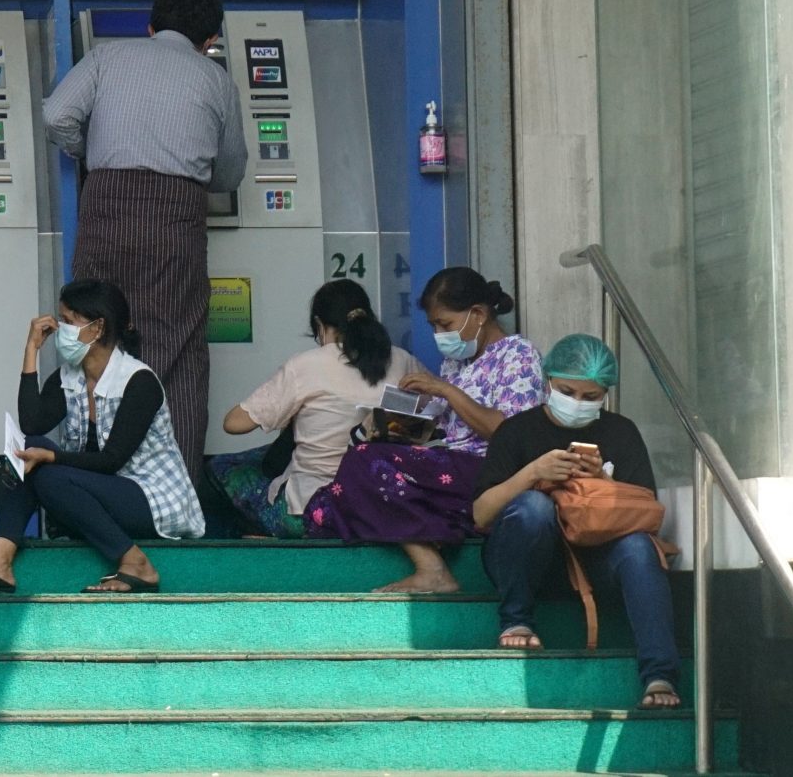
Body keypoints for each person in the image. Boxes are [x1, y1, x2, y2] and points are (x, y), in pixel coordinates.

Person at [42, 0, 247, 455]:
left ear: (150, 26)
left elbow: (56, 116)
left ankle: (93, 479)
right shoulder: (216, 79)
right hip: (177, 220)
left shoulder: (107, 57)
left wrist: (87, 153)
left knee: (94, 335)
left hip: (106, 208)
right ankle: (175, 497)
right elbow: (230, 172)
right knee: (177, 345)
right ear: (210, 41)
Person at [0, 278, 204, 597]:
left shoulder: (139, 382)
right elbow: (33, 423)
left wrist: (52, 458)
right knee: (29, 450)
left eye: (68, 321)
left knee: (47, 472)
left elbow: (112, 461)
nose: (61, 328)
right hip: (96, 495)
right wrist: (30, 351)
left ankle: (136, 563)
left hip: (151, 500)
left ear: (97, 328)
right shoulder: (70, 377)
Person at [472, 333, 680, 710]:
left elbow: (645, 512)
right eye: (567, 391)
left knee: (638, 548)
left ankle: (659, 674)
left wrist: (602, 481)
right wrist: (533, 472)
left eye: (591, 397)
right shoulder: (516, 431)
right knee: (533, 507)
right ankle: (516, 619)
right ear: (548, 381)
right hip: (530, 558)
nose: (578, 403)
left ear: (605, 395)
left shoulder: (621, 432)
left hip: (595, 561)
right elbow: (482, 515)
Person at [305, 265, 543, 593]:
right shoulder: (456, 364)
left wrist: (446, 391)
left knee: (363, 463)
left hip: (490, 472)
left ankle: (433, 569)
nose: (439, 335)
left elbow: (510, 434)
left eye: (444, 324)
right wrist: (399, 425)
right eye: (433, 326)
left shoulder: (518, 355)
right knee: (323, 507)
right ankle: (438, 529)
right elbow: (447, 428)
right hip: (446, 466)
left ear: (478, 314)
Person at [213, 279, 424, 537]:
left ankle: (255, 538)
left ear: (320, 325)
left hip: (312, 507)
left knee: (222, 468)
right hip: (382, 499)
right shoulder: (403, 360)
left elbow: (234, 424)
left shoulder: (306, 365)